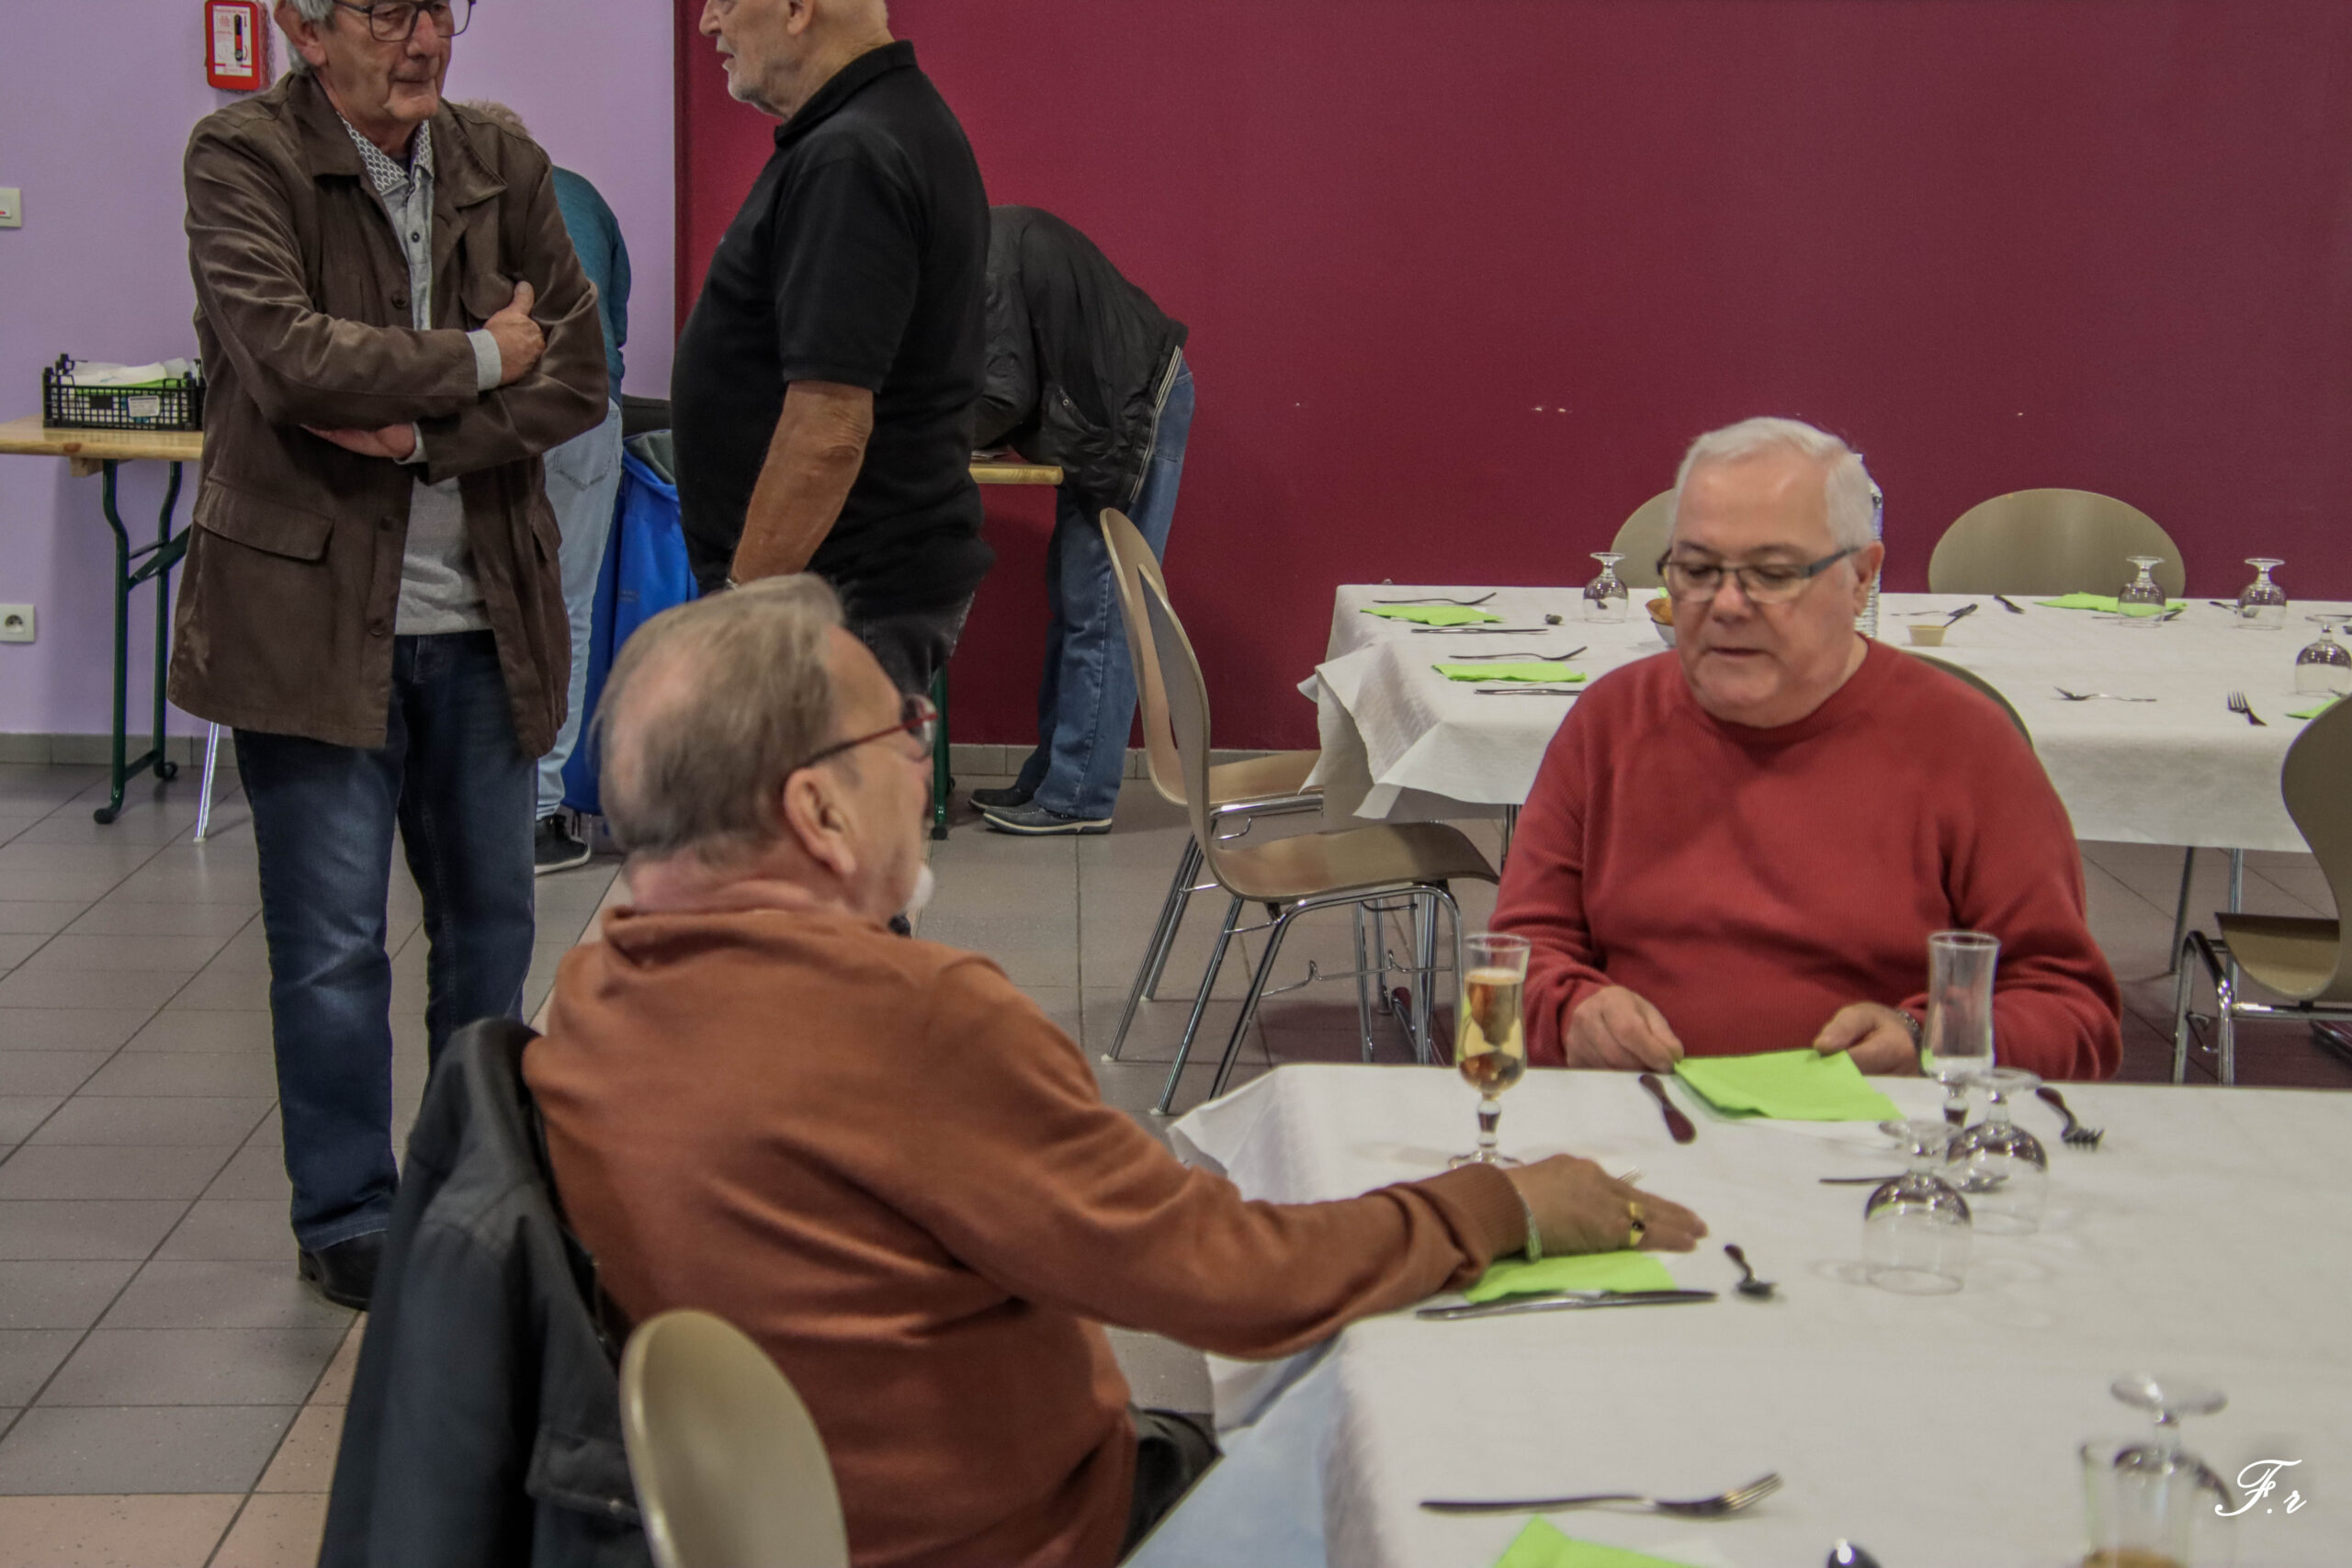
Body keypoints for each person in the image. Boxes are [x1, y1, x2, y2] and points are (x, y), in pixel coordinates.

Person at [525, 576, 1706, 1568]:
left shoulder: (589, 998)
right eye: (905, 732)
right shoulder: (907, 1024)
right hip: (1040, 1535)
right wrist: (1499, 1205)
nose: (921, 757)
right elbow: (1224, 1279)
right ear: (818, 812)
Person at [175, 0, 606, 1308]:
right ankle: (348, 1213)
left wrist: (422, 433)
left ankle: (473, 1186)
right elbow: (292, 361)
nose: (423, 39)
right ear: (306, 31)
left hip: (483, 617)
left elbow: (578, 371)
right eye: (384, 12)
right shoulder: (240, 157)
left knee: (492, 928)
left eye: (438, 8)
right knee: (331, 948)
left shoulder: (501, 160)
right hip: (305, 629)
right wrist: (483, 355)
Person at [1490, 417, 2122, 1080]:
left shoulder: (1966, 744)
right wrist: (1573, 1015)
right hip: (1642, 1117)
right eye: (1697, 569)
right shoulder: (1611, 722)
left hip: (1884, 1130)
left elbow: (2071, 1010)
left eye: (1773, 573)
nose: (1726, 604)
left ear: (1861, 578)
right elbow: (1517, 957)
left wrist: (1925, 1040)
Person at [672, 0, 988, 696]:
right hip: (841, 595)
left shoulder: (853, 154)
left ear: (795, 8)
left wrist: (742, 614)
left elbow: (830, 428)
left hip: (831, 604)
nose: (707, 24)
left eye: (723, 0)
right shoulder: (887, 123)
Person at [967, 206, 1193, 837]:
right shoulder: (992, 239)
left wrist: (930, 437)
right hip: (1106, 412)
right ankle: (1053, 775)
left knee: (1101, 608)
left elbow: (1003, 394)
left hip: (1131, 409)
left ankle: (1077, 796)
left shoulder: (985, 260)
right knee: (1077, 605)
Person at [461, 101, 634, 875]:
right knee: (568, 605)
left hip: (499, 414)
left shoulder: (465, 204)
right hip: (590, 413)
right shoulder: (585, 197)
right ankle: (538, 813)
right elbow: (613, 328)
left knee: (480, 602)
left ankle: (481, 804)